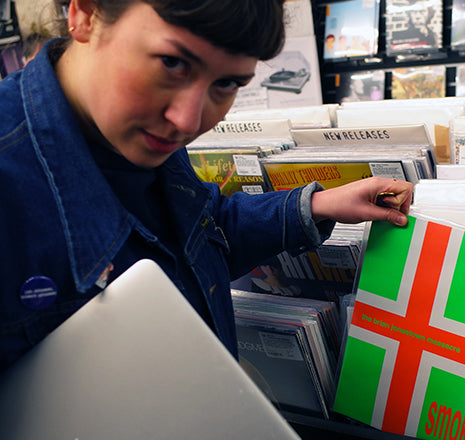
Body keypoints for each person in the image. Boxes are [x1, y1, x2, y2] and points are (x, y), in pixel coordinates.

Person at [0, 0, 413, 373]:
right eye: (171, 63)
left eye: (227, 84)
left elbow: (192, 235)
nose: (188, 120)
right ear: (86, 14)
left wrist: (316, 205)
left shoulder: (140, 127)